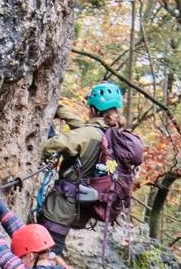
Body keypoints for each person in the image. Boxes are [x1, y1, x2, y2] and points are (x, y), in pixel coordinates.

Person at [39, 82, 136, 251]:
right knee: (52, 251)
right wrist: (62, 112)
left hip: (61, 207)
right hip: (81, 206)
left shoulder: (89, 134)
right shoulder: (112, 134)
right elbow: (87, 129)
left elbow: (51, 146)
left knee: (48, 253)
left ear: (93, 109)